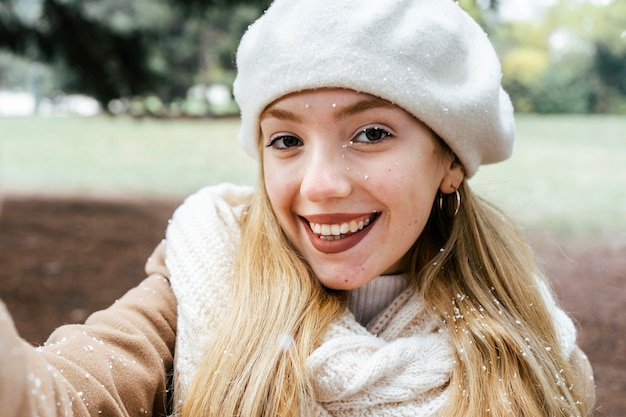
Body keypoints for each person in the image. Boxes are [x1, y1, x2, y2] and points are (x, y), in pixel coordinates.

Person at [0, 0, 595, 416]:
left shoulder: (537, 357)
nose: (321, 185)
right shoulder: (205, 273)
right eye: (285, 141)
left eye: (370, 134)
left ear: (450, 162)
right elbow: (64, 394)